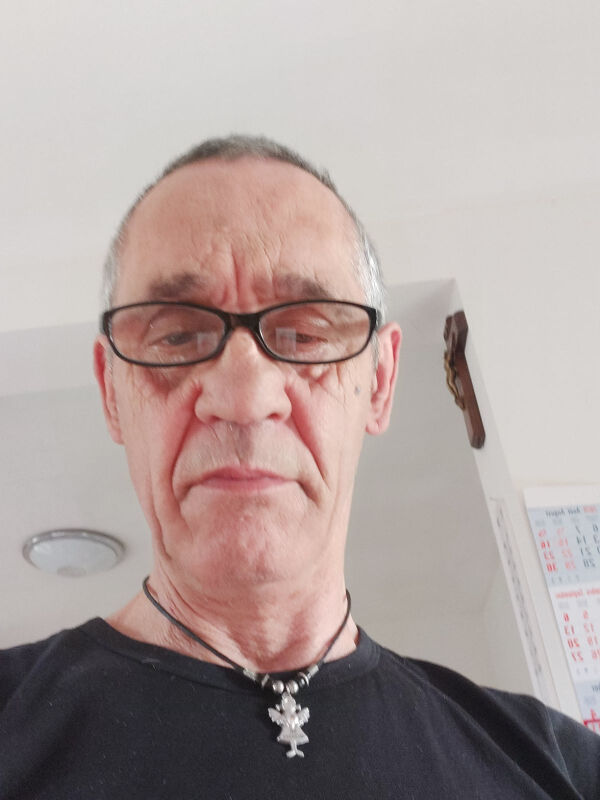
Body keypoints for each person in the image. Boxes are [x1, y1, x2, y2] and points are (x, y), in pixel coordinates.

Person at [1, 135, 598, 799]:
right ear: (112, 392)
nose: (244, 399)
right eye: (176, 335)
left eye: (305, 333)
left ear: (380, 381)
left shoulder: (564, 770)